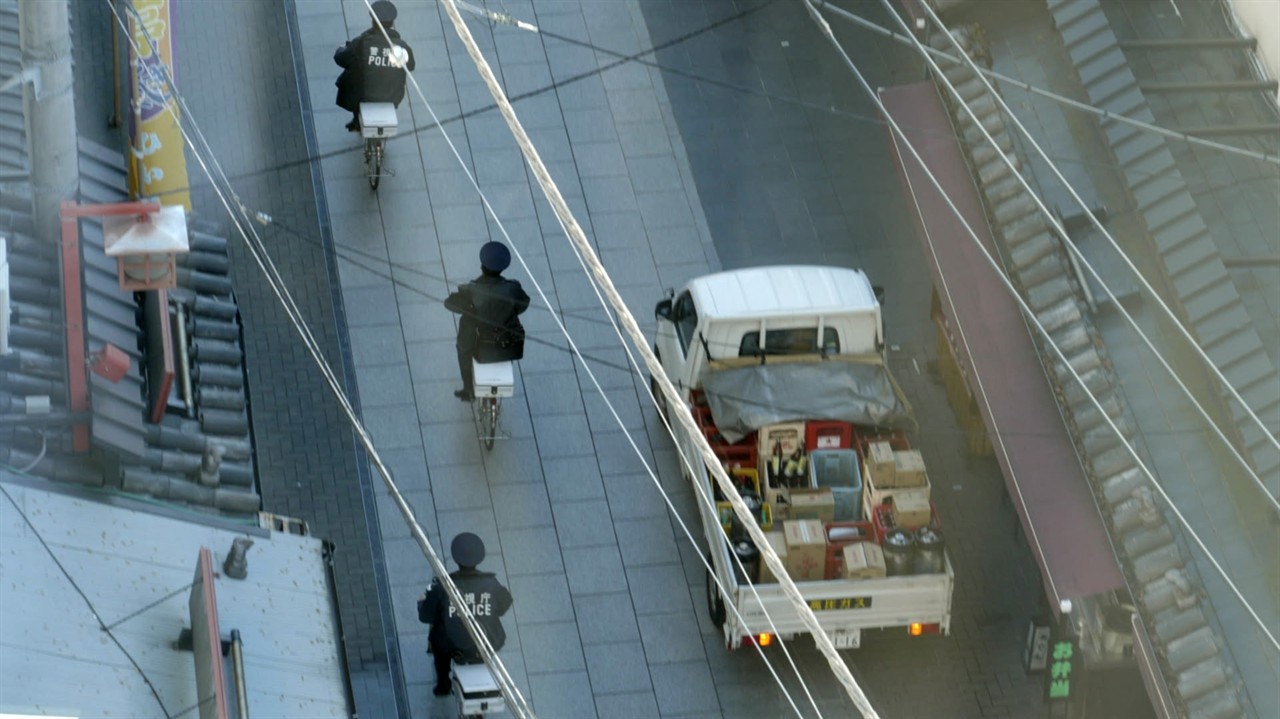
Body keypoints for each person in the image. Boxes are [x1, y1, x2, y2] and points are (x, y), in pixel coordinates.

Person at [417, 533, 513, 697]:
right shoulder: (491, 583)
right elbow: (504, 605)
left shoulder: (443, 586)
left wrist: (422, 603)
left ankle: (443, 685)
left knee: (439, 645)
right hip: (488, 640)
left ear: (457, 559)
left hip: (452, 645)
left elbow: (426, 616)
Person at [444, 241, 530, 401]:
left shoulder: (472, 289)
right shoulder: (512, 288)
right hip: (507, 343)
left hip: (479, 341)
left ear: (482, 266)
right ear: (503, 268)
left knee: (463, 350)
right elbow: (523, 304)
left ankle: (468, 390)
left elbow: (449, 304)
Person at [334, 0, 416, 132]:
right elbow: (411, 65)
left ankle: (356, 120)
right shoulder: (401, 47)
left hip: (362, 96)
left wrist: (340, 49)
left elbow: (342, 59)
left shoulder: (362, 42)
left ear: (373, 22)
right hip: (392, 95)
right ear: (393, 23)